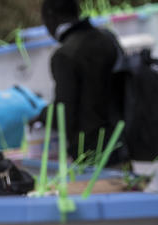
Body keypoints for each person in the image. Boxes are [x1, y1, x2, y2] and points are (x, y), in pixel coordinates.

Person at [42, 0, 125, 160]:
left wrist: (43, 116)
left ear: (50, 17)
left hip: (91, 152)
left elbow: (64, 114)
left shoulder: (65, 55)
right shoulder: (108, 39)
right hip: (121, 143)